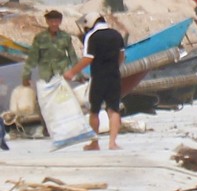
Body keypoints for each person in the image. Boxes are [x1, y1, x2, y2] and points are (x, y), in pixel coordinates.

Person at [70, 13, 125, 151]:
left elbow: (88, 58)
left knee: (94, 110)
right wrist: (114, 67)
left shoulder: (92, 36)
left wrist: (72, 72)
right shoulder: (116, 34)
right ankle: (112, 143)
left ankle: (94, 143)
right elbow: (122, 55)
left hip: (98, 77)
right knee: (113, 109)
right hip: (114, 75)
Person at [26, 10, 76, 83]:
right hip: (46, 74)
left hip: (62, 73)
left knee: (64, 94)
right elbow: (32, 57)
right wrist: (27, 76)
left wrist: (78, 73)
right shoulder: (40, 37)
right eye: (51, 21)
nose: (54, 24)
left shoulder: (65, 37)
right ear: (47, 21)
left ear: (60, 22)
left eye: (57, 21)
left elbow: (72, 56)